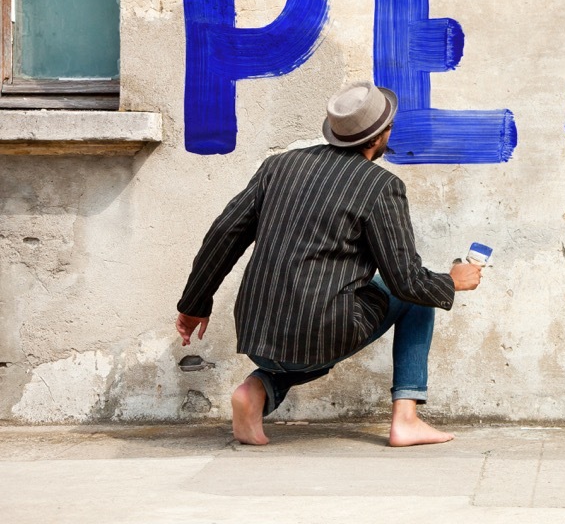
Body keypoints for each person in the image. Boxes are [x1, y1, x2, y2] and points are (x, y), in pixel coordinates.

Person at [174, 82, 482, 447]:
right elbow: (406, 281)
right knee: (418, 296)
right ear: (377, 139)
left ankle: (257, 389)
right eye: (389, 128)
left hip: (257, 332)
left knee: (311, 337)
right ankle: (406, 418)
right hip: (318, 334)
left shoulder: (278, 166)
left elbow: (225, 233)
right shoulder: (380, 186)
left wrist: (193, 306)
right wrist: (451, 282)